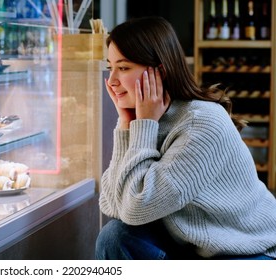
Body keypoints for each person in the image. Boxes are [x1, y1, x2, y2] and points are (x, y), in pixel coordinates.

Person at [96, 16, 276, 260]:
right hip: (193, 245)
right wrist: (128, 125)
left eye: (124, 67)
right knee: (115, 235)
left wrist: (142, 125)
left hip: (248, 249)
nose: (112, 80)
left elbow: (135, 208)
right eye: (110, 67)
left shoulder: (201, 123)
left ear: (158, 72)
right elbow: (112, 205)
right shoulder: (144, 119)